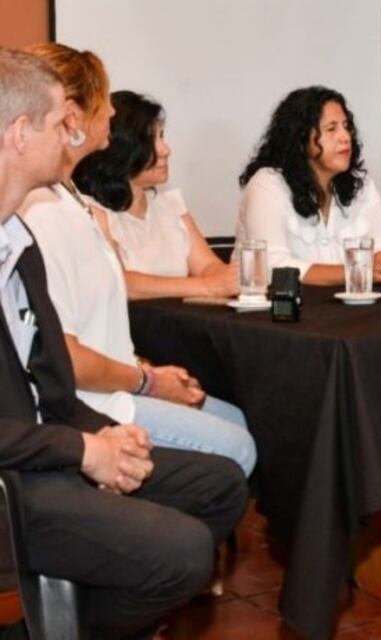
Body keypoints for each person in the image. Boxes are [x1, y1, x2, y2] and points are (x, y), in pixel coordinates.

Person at [0, 46, 247, 640]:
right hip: (11, 481)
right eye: (63, 119)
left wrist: (102, 434)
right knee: (184, 552)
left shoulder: (18, 241)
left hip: (46, 452)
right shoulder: (33, 230)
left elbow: (53, 381)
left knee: (220, 486)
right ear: (19, 133)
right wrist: (86, 452)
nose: (76, 132)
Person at [18, 43, 256, 476]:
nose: (111, 111)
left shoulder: (72, 202)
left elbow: (98, 328)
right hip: (92, 404)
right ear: (73, 115)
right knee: (237, 447)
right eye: (104, 100)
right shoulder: (42, 213)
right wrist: (149, 382)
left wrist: (147, 370)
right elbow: (64, 357)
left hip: (116, 386)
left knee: (235, 421)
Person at [239, 86, 381, 285]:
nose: (345, 137)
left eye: (346, 126)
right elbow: (272, 266)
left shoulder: (362, 185)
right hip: (281, 311)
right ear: (300, 139)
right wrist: (361, 269)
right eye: (331, 129)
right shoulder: (268, 184)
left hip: (349, 310)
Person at [72, 90, 239, 300]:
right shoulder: (91, 211)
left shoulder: (169, 203)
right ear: (121, 151)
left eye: (162, 136)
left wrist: (226, 279)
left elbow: (207, 265)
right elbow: (119, 281)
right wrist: (206, 286)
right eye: (151, 141)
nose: (165, 150)